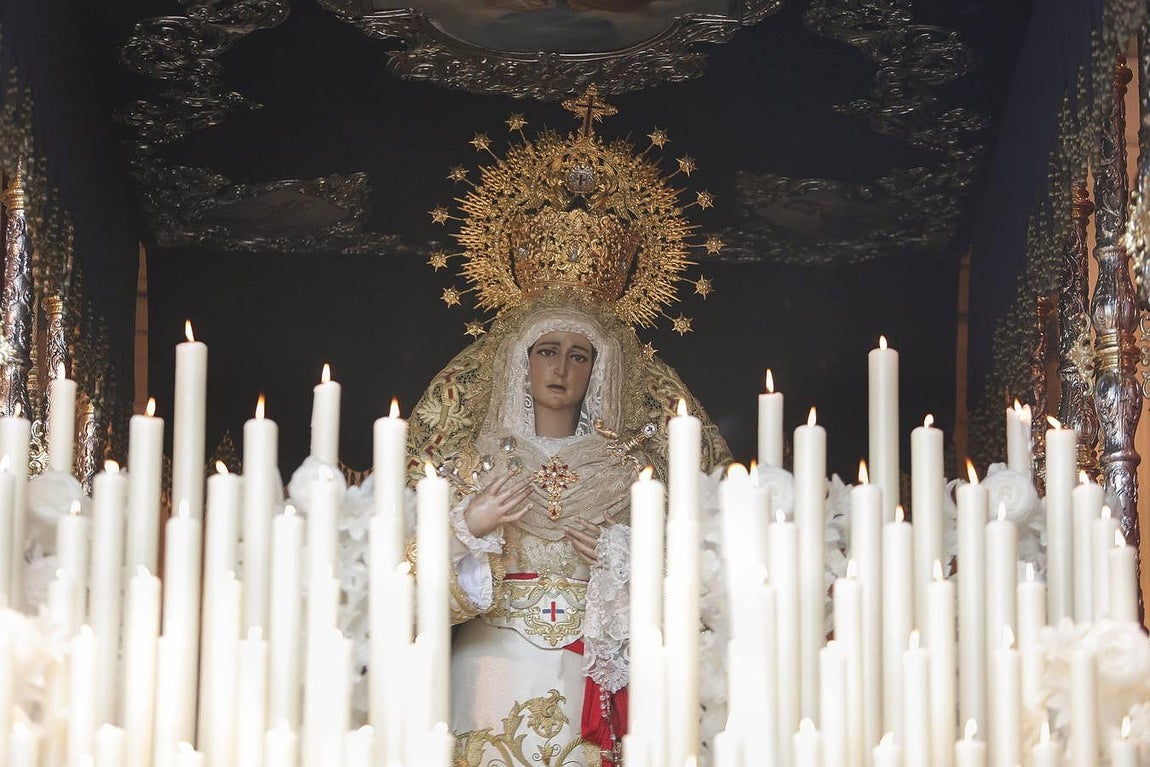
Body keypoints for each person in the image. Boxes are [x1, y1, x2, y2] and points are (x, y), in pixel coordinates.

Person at [405, 294, 729, 767]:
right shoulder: (474, 466)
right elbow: (414, 592)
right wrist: (470, 527)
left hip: (590, 668)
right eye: (547, 351)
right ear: (522, 360)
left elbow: (685, 594)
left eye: (579, 355)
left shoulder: (631, 477)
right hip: (490, 666)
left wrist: (624, 559)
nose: (562, 368)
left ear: (599, 369)